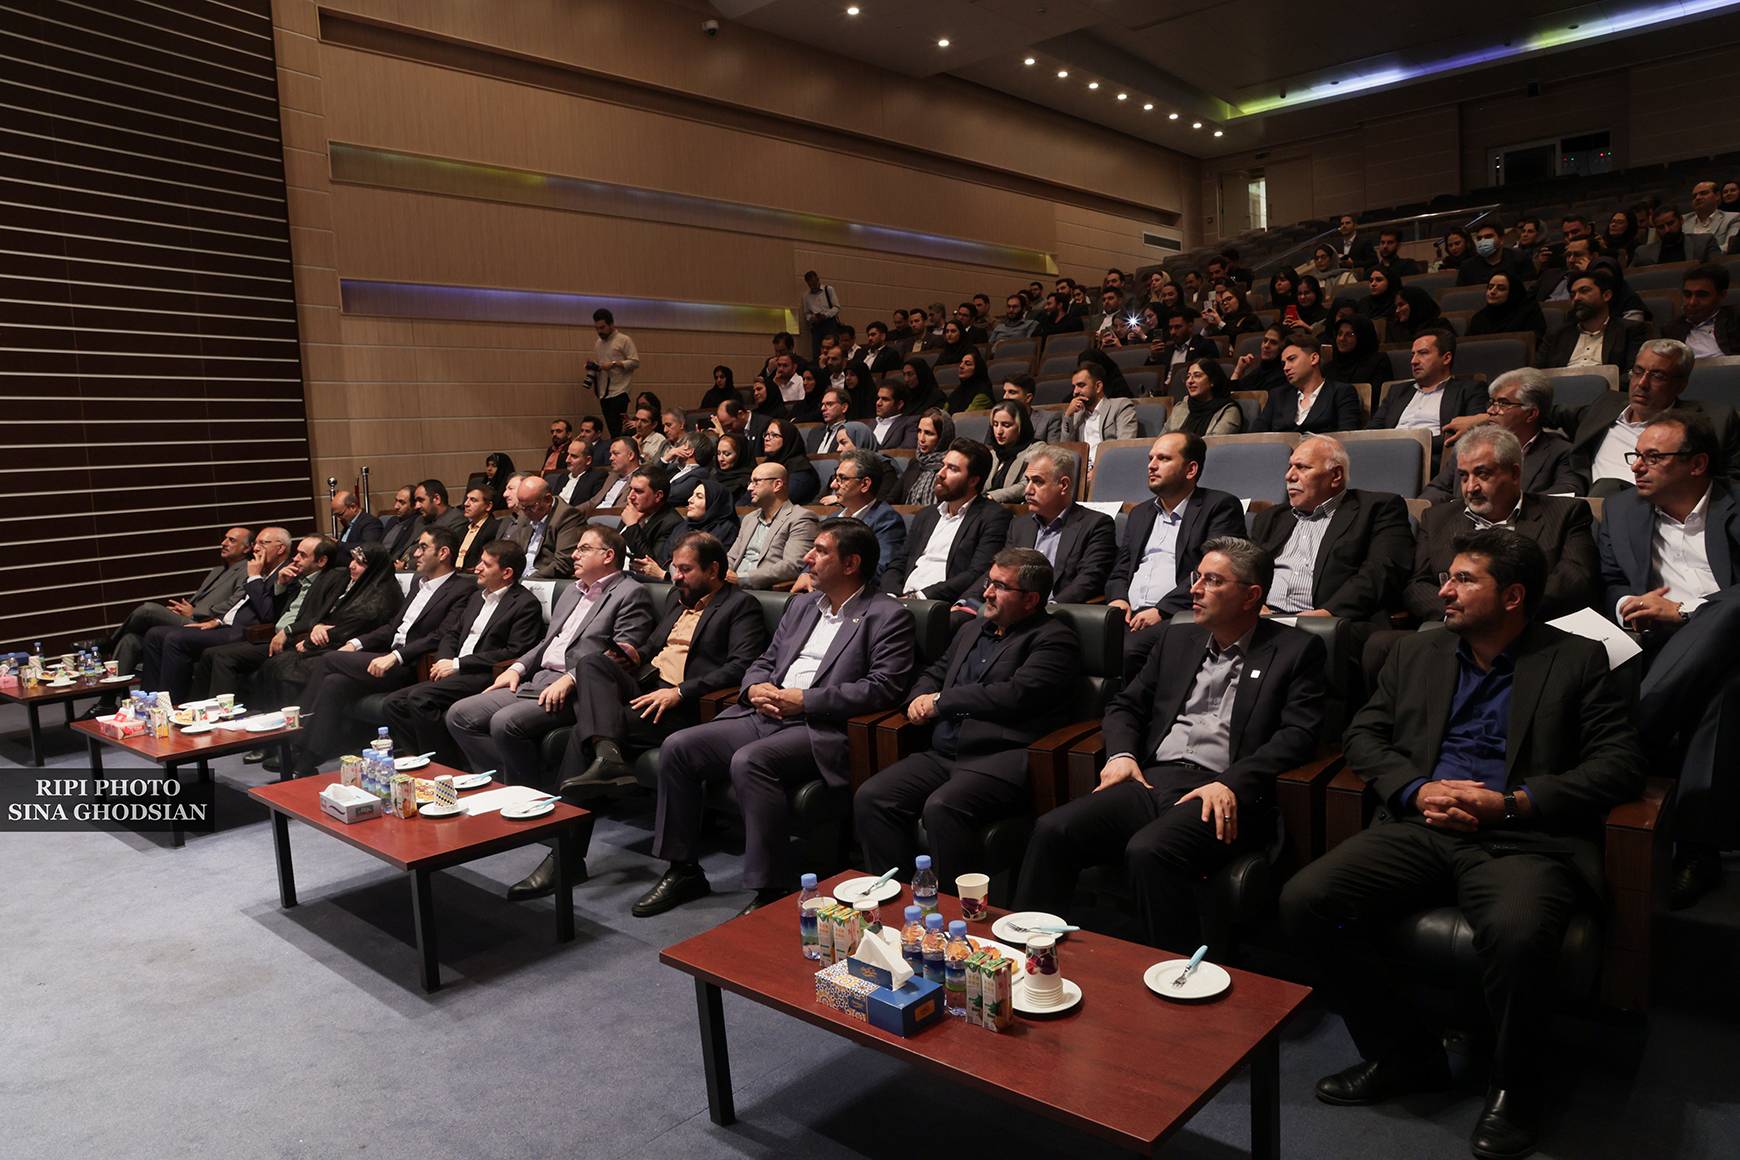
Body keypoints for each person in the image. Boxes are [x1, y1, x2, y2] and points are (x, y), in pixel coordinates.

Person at [1281, 530, 1644, 1160]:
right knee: (1305, 900)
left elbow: (1618, 765)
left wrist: (1513, 802)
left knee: (1519, 933)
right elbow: (1364, 735)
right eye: (1447, 577)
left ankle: (1515, 1088)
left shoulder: (1577, 658)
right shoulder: (1415, 652)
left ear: (1513, 596)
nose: (1443, 590)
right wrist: (1416, 789)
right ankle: (1404, 1055)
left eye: (1463, 580)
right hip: (1421, 824)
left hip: (1521, 837)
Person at [1016, 537, 1327, 948]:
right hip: (1153, 779)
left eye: (1212, 581)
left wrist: (1233, 782)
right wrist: (1122, 755)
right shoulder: (1178, 639)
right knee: (1053, 829)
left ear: (1251, 595)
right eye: (1197, 577)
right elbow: (1126, 705)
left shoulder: (1296, 650)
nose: (1194, 589)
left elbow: (1298, 735)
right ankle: (1027, 953)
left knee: (1150, 851)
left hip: (1224, 792)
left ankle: (1173, 972)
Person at [634, 520, 916, 916]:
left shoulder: (887, 615)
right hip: (764, 711)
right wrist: (754, 688)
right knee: (679, 746)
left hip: (819, 725)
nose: (807, 558)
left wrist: (808, 700)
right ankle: (683, 870)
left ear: (851, 563)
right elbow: (764, 660)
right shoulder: (801, 606)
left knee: (751, 760)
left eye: (820, 551)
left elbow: (884, 687)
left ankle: (771, 888)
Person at [855, 549, 1081, 883]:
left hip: (1000, 756)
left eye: (1000, 586)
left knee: (942, 807)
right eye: (989, 582)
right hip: (943, 753)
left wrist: (941, 701)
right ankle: (899, 897)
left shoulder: (1054, 640)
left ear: (1031, 599)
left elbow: (1014, 694)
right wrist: (918, 699)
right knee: (873, 797)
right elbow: (937, 672)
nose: (987, 593)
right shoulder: (972, 629)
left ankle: (955, 908)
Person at [1598, 413, 1740, 909]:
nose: (1637, 466)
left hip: (1728, 633)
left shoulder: (1734, 503)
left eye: (1653, 457)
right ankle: (1699, 850)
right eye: (1636, 455)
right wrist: (1629, 606)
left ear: (1697, 464)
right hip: (1653, 641)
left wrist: (1685, 611)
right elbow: (1612, 582)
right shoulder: (1620, 510)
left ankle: (1635, 737)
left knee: (1731, 613)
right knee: (1723, 686)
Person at [557, 531, 769, 809]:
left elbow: (741, 666)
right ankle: (607, 758)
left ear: (713, 570)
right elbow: (654, 645)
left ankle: (568, 824)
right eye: (675, 568)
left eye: (686, 569)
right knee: (591, 662)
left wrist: (680, 692)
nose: (676, 577)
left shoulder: (741, 606)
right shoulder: (677, 597)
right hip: (646, 686)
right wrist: (635, 654)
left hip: (684, 703)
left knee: (584, 730)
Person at [445, 524, 656, 796]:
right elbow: (548, 641)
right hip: (538, 680)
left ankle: (525, 795)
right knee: (459, 715)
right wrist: (517, 667)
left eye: (584, 549)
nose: (574, 555)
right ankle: (514, 786)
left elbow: (621, 657)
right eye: (576, 549)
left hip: (579, 691)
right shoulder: (572, 591)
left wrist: (571, 679)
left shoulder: (630, 593)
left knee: (504, 722)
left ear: (608, 555)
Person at [283, 528, 478, 770]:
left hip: (412, 665)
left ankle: (293, 737)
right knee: (334, 682)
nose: (415, 554)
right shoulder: (419, 584)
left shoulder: (462, 589)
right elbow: (391, 627)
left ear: (443, 553)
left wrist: (395, 656)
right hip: (387, 656)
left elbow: (439, 636)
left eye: (423, 547)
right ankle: (307, 760)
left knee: (329, 659)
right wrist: (356, 643)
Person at [1404, 426, 1598, 622]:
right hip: (1454, 629)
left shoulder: (1564, 514)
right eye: (1464, 476)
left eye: (1483, 474)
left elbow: (1575, 580)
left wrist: (1500, 611)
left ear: (1514, 474)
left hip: (1534, 626)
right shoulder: (1436, 519)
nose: (1471, 487)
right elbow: (1417, 587)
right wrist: (1466, 611)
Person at [1106, 433, 1246, 676]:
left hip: (1181, 614)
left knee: (1129, 649)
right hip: (1128, 614)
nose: (1151, 465)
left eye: (1163, 459)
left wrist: (1161, 610)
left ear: (1191, 469)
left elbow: (1213, 573)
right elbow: (1121, 568)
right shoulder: (1140, 513)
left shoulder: (1220, 507)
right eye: (1150, 458)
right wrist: (1119, 599)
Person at [1249, 435, 1412, 626]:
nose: (1289, 476)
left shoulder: (1379, 509)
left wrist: (1328, 613)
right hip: (1264, 620)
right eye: (1290, 466)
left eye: (1302, 467)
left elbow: (1381, 572)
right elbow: (1248, 570)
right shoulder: (1270, 518)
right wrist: (1254, 604)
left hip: (1334, 623)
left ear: (1335, 476)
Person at [139, 527, 296, 703]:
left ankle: (171, 704)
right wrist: (218, 620)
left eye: (263, 543)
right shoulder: (262, 569)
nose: (256, 548)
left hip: (245, 631)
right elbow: (240, 603)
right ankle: (149, 701)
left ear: (280, 548)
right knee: (154, 634)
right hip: (226, 625)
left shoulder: (285, 573)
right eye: (256, 543)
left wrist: (254, 578)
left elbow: (267, 613)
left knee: (175, 639)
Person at [194, 535, 344, 707]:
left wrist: (288, 631)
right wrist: (281, 584)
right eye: (297, 553)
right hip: (273, 635)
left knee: (223, 657)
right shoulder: (297, 577)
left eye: (302, 555)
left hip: (294, 639)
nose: (295, 558)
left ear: (322, 561)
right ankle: (195, 710)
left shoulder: (334, 578)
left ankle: (222, 713)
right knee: (209, 654)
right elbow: (274, 614)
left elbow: (321, 616)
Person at [973, 445, 1114, 606]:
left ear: (1063, 485)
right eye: (1027, 481)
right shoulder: (1019, 525)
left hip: (1057, 612)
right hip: (1013, 609)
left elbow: (1088, 580)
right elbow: (999, 570)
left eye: (1037, 481)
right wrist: (965, 603)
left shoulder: (1096, 525)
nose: (1027, 490)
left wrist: (1047, 610)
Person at [105, 527, 251, 679]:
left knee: (148, 610)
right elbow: (198, 599)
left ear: (246, 548)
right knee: (130, 640)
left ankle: (108, 644)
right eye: (225, 538)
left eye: (231, 540)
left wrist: (195, 612)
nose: (224, 543)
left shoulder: (247, 570)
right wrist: (180, 610)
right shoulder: (217, 570)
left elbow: (235, 603)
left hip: (208, 624)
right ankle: (111, 693)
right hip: (189, 617)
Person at [884, 439, 1011, 604]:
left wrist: (919, 597)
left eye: (952, 469)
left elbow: (977, 573)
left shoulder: (992, 517)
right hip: (902, 599)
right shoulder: (926, 515)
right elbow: (899, 562)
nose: (940, 474)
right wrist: (892, 595)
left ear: (973, 480)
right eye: (943, 465)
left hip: (940, 603)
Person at [1423, 368, 1578, 503]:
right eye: (1492, 402)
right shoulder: (1469, 446)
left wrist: (1506, 507)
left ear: (1531, 414)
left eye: (1503, 403)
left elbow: (1567, 493)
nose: (1491, 411)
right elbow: (1436, 490)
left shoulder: (1561, 452)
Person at [1367, 329, 1489, 471]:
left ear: (1446, 358)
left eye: (1423, 353)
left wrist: (1408, 446)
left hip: (1430, 460)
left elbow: (1468, 435)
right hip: (1384, 455)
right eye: (1413, 354)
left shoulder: (1469, 389)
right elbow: (1372, 431)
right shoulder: (1397, 391)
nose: (1414, 361)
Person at [803, 449, 907, 591]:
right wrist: (805, 574)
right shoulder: (834, 517)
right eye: (835, 478)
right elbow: (814, 556)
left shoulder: (887, 520)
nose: (833, 485)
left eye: (842, 478)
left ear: (865, 484)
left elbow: (879, 570)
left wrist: (824, 576)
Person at [1252, 331, 1362, 434]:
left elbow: (1346, 436)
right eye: (1283, 363)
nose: (1286, 368)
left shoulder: (1341, 392)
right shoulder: (1278, 396)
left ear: (1314, 358)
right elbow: (1256, 436)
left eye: (1292, 359)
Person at [506, 475, 585, 579]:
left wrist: (528, 581)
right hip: (519, 575)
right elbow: (511, 550)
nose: (525, 512)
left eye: (530, 507)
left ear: (547, 500)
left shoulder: (568, 516)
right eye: (522, 506)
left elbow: (563, 563)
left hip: (544, 578)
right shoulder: (525, 511)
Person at [1061, 361, 1137, 461]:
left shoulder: (1121, 406)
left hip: (1108, 465)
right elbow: (1065, 451)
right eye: (1074, 387)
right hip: (1082, 468)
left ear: (1098, 387)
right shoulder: (1075, 414)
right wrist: (1068, 416)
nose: (1075, 392)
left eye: (1081, 385)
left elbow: (1124, 446)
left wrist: (1099, 467)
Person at [1662, 263, 1740, 357]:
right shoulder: (1671, 329)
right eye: (1687, 294)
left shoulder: (1735, 320)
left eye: (1702, 295)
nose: (1692, 302)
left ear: (1722, 295)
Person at [621, 467, 684, 575]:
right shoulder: (635, 510)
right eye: (630, 489)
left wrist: (632, 526)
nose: (630, 496)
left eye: (638, 491)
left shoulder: (671, 523)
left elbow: (650, 565)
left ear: (658, 496)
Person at [984, 400, 1045, 502]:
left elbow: (1027, 484)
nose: (999, 431)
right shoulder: (993, 453)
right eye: (995, 424)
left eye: (1006, 425)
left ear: (1020, 426)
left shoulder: (1037, 449)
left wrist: (992, 496)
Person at [589, 309, 639, 435]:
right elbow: (602, 366)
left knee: (619, 429)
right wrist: (594, 366)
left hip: (620, 390)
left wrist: (614, 364)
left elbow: (635, 362)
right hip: (604, 392)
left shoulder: (624, 340)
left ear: (611, 324)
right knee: (612, 430)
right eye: (597, 328)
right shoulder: (598, 343)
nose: (599, 331)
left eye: (602, 327)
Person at [1164, 357, 1243, 436]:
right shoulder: (1181, 407)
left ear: (1212, 381)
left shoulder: (1229, 411)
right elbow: (1161, 439)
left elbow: (1215, 442)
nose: (1189, 381)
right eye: (1188, 376)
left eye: (1197, 376)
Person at [1467, 271, 1547, 339]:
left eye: (1501, 288)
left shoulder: (1528, 312)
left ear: (1513, 293)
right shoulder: (1478, 319)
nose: (1492, 291)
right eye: (1490, 287)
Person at [900, 408, 955, 506]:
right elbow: (892, 499)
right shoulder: (915, 463)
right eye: (919, 431)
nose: (921, 439)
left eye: (929, 433)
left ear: (943, 437)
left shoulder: (951, 467)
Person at [759, 417, 820, 505]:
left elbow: (784, 497)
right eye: (766, 434)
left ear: (788, 439)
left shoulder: (800, 467)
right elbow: (749, 495)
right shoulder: (767, 464)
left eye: (774, 435)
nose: (767, 438)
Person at [1633, 205, 1720, 266]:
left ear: (1681, 220)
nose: (1667, 230)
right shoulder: (1643, 253)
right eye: (1661, 227)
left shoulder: (1705, 242)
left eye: (1671, 223)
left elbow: (1718, 271)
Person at [1456, 219, 1533, 287]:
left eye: (1488, 237)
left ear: (1501, 239)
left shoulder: (1519, 258)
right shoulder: (1467, 267)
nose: (1483, 241)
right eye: (1479, 238)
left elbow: (1528, 287)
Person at [1323, 316, 1389, 388]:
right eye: (1339, 333)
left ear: (1362, 337)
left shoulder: (1377, 363)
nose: (1342, 338)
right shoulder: (1328, 368)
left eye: (1350, 334)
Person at [1231, 324, 1289, 394]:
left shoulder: (1282, 376)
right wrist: (1238, 371)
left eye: (1273, 343)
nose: (1266, 345)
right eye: (1265, 340)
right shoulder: (1259, 371)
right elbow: (1232, 393)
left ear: (1282, 348)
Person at [1687, 180, 1740, 251]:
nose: (1697, 198)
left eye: (1703, 193)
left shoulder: (1733, 218)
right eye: (1694, 196)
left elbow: (1729, 247)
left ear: (1717, 196)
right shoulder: (1683, 220)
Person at [800, 270, 841, 361]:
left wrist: (826, 315)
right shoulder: (806, 296)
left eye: (814, 283)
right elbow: (806, 314)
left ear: (818, 279)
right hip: (816, 325)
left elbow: (837, 307)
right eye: (810, 284)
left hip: (829, 323)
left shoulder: (828, 289)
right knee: (817, 351)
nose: (813, 286)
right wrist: (812, 318)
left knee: (832, 347)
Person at [869, 381, 918, 450]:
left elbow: (906, 451)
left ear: (899, 404)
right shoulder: (872, 423)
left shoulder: (910, 423)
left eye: (885, 399)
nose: (878, 403)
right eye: (878, 398)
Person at [946, 348, 995, 413]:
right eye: (961, 362)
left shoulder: (983, 394)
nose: (961, 366)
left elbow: (965, 417)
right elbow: (943, 414)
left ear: (977, 369)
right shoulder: (957, 392)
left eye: (968, 364)